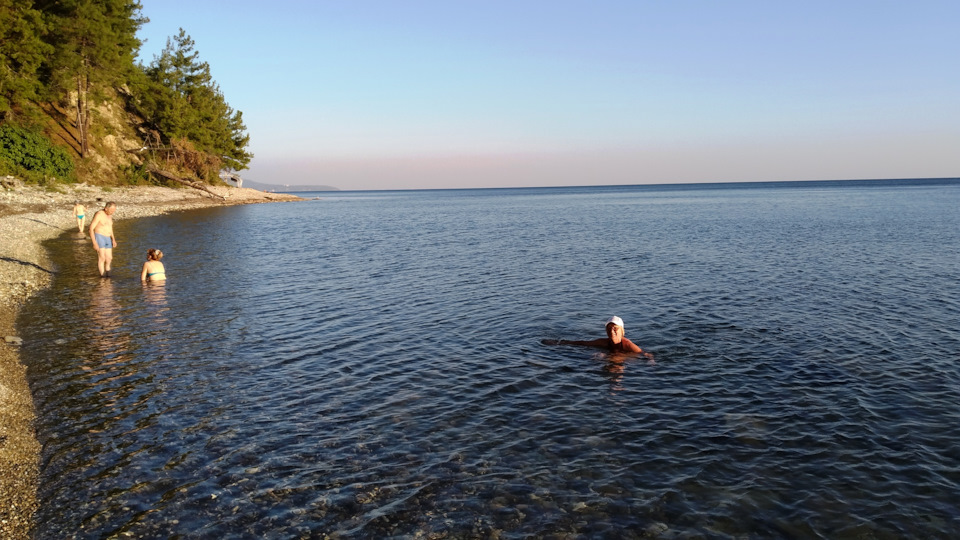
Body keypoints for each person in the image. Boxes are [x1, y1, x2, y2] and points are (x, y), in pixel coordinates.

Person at [543, 316, 653, 358]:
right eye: (609, 329)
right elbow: (583, 343)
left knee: (614, 359)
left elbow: (645, 354)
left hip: (624, 360)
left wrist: (651, 360)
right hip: (610, 356)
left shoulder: (628, 345)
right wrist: (559, 343)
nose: (612, 331)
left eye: (615, 329)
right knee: (597, 357)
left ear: (622, 331)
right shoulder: (604, 342)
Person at [89, 202, 118, 277]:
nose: (112, 212)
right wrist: (94, 243)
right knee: (102, 257)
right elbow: (91, 229)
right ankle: (102, 276)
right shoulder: (99, 214)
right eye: (111, 210)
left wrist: (113, 239)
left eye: (114, 210)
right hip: (99, 236)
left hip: (107, 237)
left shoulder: (109, 216)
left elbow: (110, 228)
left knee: (109, 258)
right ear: (106, 208)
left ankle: (108, 275)